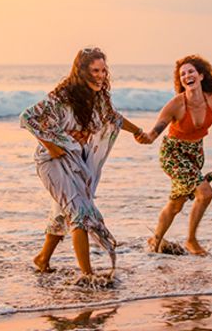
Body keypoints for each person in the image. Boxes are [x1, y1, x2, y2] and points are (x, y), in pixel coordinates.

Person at [20, 47, 143, 280]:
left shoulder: (97, 97)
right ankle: (88, 275)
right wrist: (52, 146)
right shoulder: (62, 97)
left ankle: (42, 259)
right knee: (79, 211)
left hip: (77, 160)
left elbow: (113, 117)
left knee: (61, 212)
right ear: (82, 71)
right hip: (52, 161)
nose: (101, 75)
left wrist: (137, 131)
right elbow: (27, 117)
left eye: (104, 71)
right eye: (95, 70)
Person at [137, 55, 212, 256]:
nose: (186, 76)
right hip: (173, 154)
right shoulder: (175, 105)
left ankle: (155, 240)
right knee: (205, 193)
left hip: (195, 153)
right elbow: (156, 130)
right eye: (182, 74)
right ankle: (191, 240)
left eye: (190, 71)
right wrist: (147, 137)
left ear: (201, 75)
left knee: (176, 204)